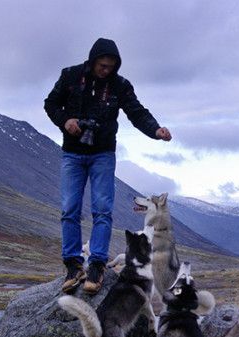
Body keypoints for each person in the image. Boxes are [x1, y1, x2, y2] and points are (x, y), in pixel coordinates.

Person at [44, 37, 171, 294]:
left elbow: (136, 112)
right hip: (73, 153)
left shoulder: (119, 85)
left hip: (103, 153)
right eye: (102, 65)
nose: (106, 71)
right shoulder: (70, 76)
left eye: (111, 66)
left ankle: (97, 265)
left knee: (102, 210)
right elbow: (51, 104)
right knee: (70, 209)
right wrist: (65, 120)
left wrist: (155, 129)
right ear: (92, 61)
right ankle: (73, 265)